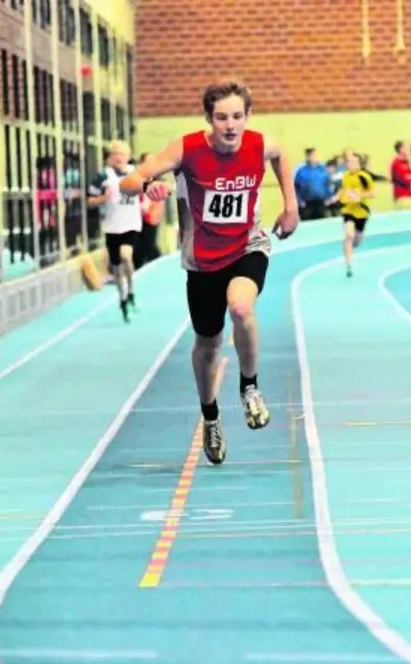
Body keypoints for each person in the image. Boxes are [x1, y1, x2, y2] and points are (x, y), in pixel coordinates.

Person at [119, 80, 300, 465]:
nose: (230, 125)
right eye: (222, 118)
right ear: (209, 119)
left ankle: (249, 387)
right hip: (202, 261)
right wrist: (149, 185)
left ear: (248, 117)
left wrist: (291, 205)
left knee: (241, 308)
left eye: (237, 116)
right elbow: (130, 180)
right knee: (207, 346)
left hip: (247, 247)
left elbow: (281, 155)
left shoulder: (258, 143)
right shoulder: (187, 149)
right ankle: (211, 416)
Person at [86, 140, 143, 322]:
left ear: (128, 156)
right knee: (117, 268)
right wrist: (103, 198)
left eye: (122, 153)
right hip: (112, 226)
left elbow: (151, 188)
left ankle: (132, 288)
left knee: (126, 255)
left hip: (132, 223)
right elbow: (89, 200)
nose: (118, 157)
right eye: (114, 153)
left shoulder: (137, 173)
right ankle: (123, 298)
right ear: (110, 157)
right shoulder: (103, 176)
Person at [334, 152, 374, 277]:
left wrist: (359, 196)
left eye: (354, 162)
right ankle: (348, 265)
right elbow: (343, 189)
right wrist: (336, 197)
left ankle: (350, 248)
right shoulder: (345, 176)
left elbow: (372, 193)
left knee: (356, 241)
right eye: (349, 162)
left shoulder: (364, 177)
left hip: (361, 213)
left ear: (359, 164)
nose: (351, 165)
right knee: (349, 236)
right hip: (348, 211)